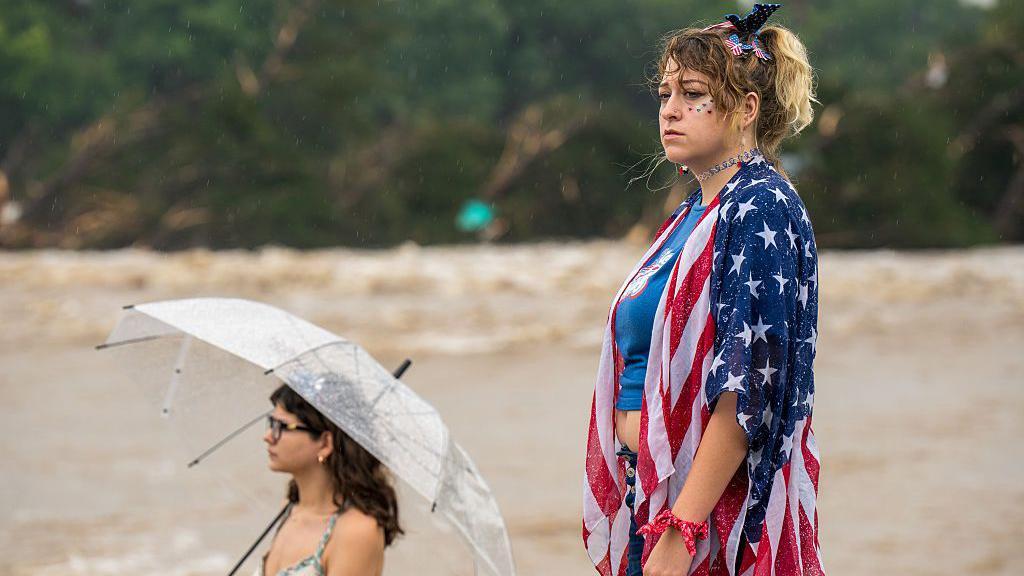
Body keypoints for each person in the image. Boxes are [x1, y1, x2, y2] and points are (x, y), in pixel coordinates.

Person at [582, 4, 823, 575]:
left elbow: (748, 391)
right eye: (664, 94)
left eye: (692, 94)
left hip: (707, 515)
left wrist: (683, 528)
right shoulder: (694, 210)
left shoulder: (759, 207)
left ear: (746, 109)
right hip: (654, 492)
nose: (670, 110)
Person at [258, 384, 402, 576]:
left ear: (325, 443)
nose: (268, 437)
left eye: (282, 427)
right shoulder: (289, 509)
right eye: (271, 423)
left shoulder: (356, 532)